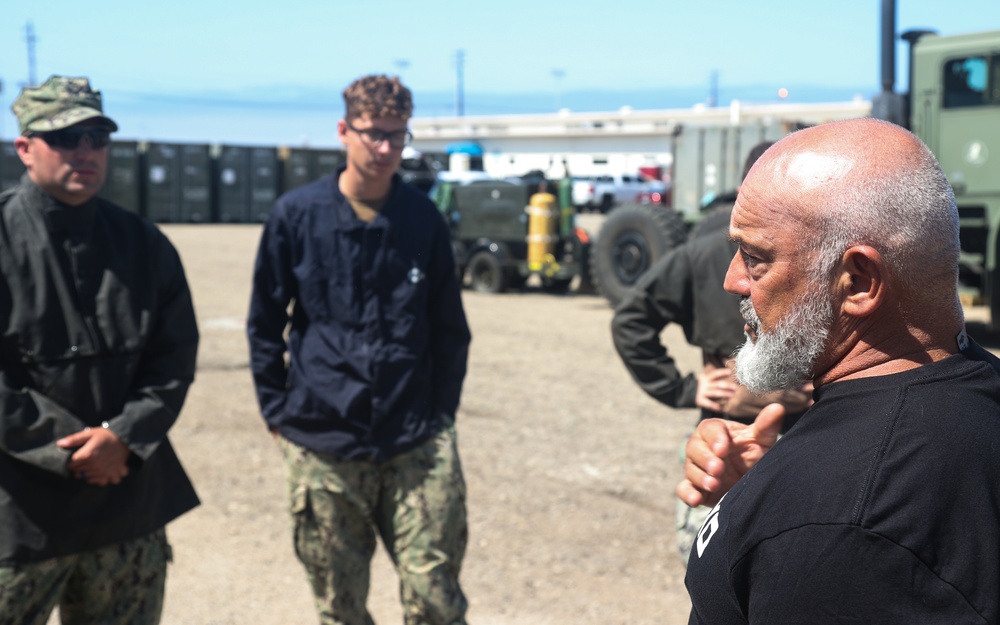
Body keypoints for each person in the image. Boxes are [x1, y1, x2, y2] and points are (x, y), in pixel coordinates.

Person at [681, 117, 1000, 623]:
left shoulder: (842, 536)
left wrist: (800, 508)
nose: (732, 281)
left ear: (857, 282)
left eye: (754, 257)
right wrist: (768, 490)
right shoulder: (976, 394)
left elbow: (853, 523)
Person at [247, 74, 472, 625]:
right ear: (345, 130)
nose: (386, 148)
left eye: (398, 136)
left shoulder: (422, 219)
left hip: (415, 438)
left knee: (436, 599)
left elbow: (450, 328)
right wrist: (279, 415)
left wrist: (440, 413)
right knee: (340, 606)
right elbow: (263, 325)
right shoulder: (296, 217)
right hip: (322, 439)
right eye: (374, 134)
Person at [0, 76, 200, 624]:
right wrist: (72, 452)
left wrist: (124, 437)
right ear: (25, 148)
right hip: (18, 518)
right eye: (66, 138)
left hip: (126, 507)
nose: (85, 152)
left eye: (97, 137)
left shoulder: (144, 244)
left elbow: (174, 358)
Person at [610, 142, 811, 563]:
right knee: (711, 569)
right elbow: (631, 320)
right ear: (745, 189)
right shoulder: (702, 256)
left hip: (810, 440)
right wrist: (685, 389)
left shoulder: (819, 254)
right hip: (727, 441)